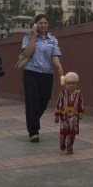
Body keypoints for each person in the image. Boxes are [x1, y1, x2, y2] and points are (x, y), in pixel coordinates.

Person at [21, 13, 64, 143]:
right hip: (31, 73)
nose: (43, 25)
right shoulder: (28, 37)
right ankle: (33, 131)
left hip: (46, 74)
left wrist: (59, 67)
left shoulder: (52, 39)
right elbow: (27, 53)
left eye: (45, 23)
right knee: (32, 101)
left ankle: (33, 119)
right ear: (36, 24)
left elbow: (54, 55)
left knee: (44, 100)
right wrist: (33, 36)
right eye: (40, 23)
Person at [54, 71, 84, 154]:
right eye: (68, 83)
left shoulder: (79, 94)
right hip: (64, 117)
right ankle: (62, 142)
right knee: (64, 131)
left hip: (74, 117)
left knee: (72, 132)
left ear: (76, 84)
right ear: (65, 84)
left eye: (73, 83)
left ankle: (70, 146)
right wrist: (57, 115)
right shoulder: (62, 93)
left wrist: (81, 112)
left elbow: (80, 103)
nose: (71, 85)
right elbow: (59, 104)